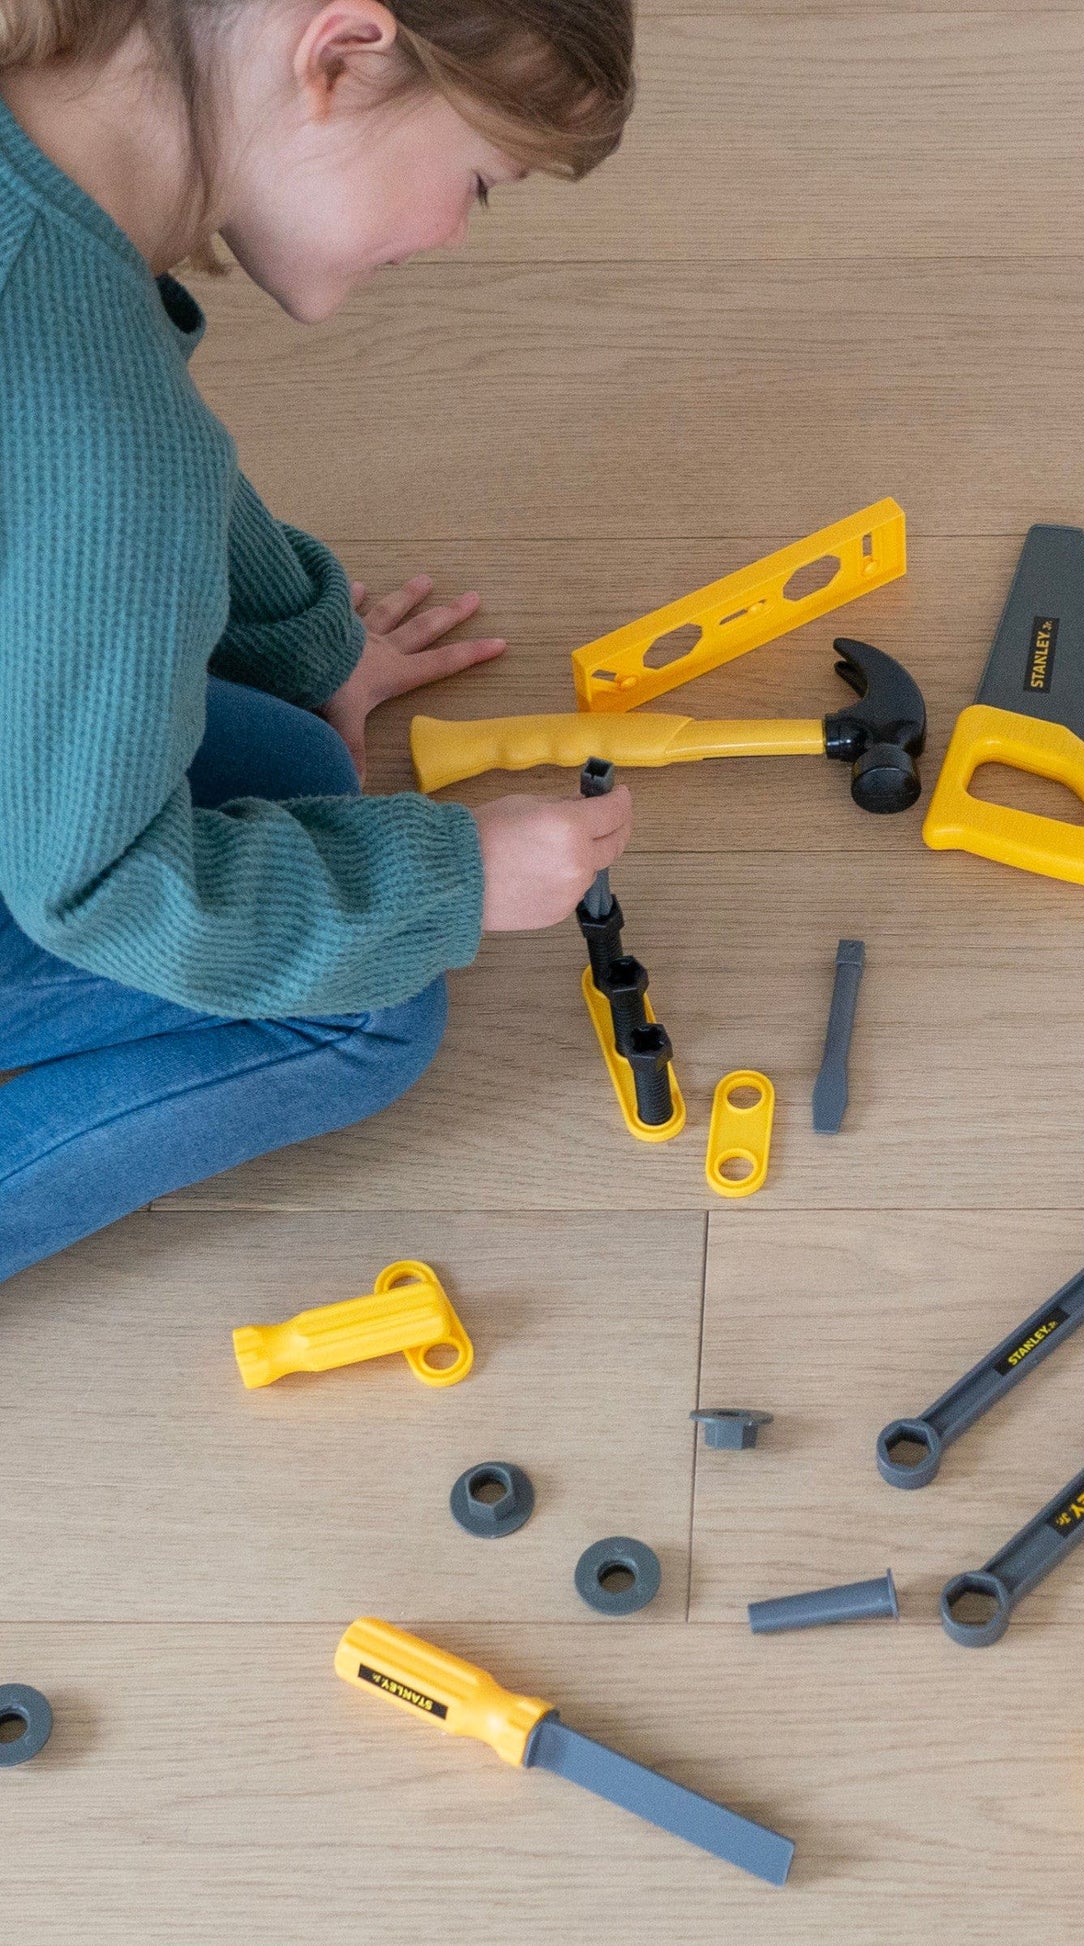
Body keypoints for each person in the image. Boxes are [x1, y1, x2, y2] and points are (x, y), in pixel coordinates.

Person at [0, 0, 636, 1281]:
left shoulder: (47, 200)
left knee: (293, 761)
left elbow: (87, 485)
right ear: (341, 53)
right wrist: (455, 879)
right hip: (64, 866)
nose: (455, 230)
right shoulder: (108, 431)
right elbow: (94, 886)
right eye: (480, 183)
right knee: (365, 1001)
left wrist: (306, 644)